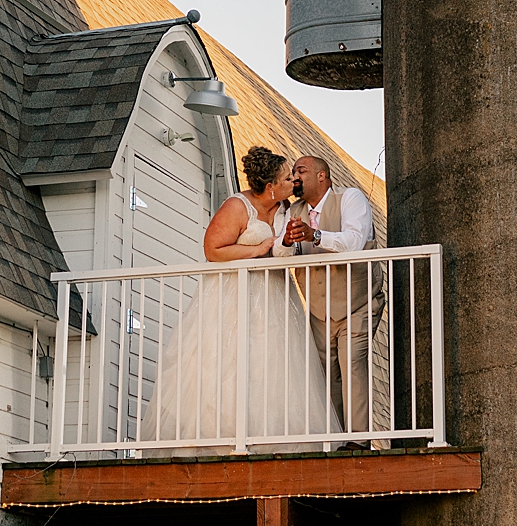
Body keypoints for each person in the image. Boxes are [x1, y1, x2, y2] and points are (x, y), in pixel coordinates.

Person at [140, 146, 339, 445]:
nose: (293, 182)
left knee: (274, 364)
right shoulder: (238, 206)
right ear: (271, 187)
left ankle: (272, 440)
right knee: (226, 361)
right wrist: (257, 249)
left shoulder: (287, 209)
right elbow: (213, 250)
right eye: (287, 178)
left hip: (275, 294)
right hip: (233, 293)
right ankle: (218, 437)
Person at [276, 154, 383, 437]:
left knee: (352, 365)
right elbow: (282, 254)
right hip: (318, 309)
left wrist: (316, 235)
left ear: (322, 176)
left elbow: (354, 242)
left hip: (357, 302)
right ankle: (336, 440)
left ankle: (359, 441)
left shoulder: (350, 198)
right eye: (293, 172)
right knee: (325, 375)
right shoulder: (291, 211)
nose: (295, 177)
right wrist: (287, 241)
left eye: (301, 171)